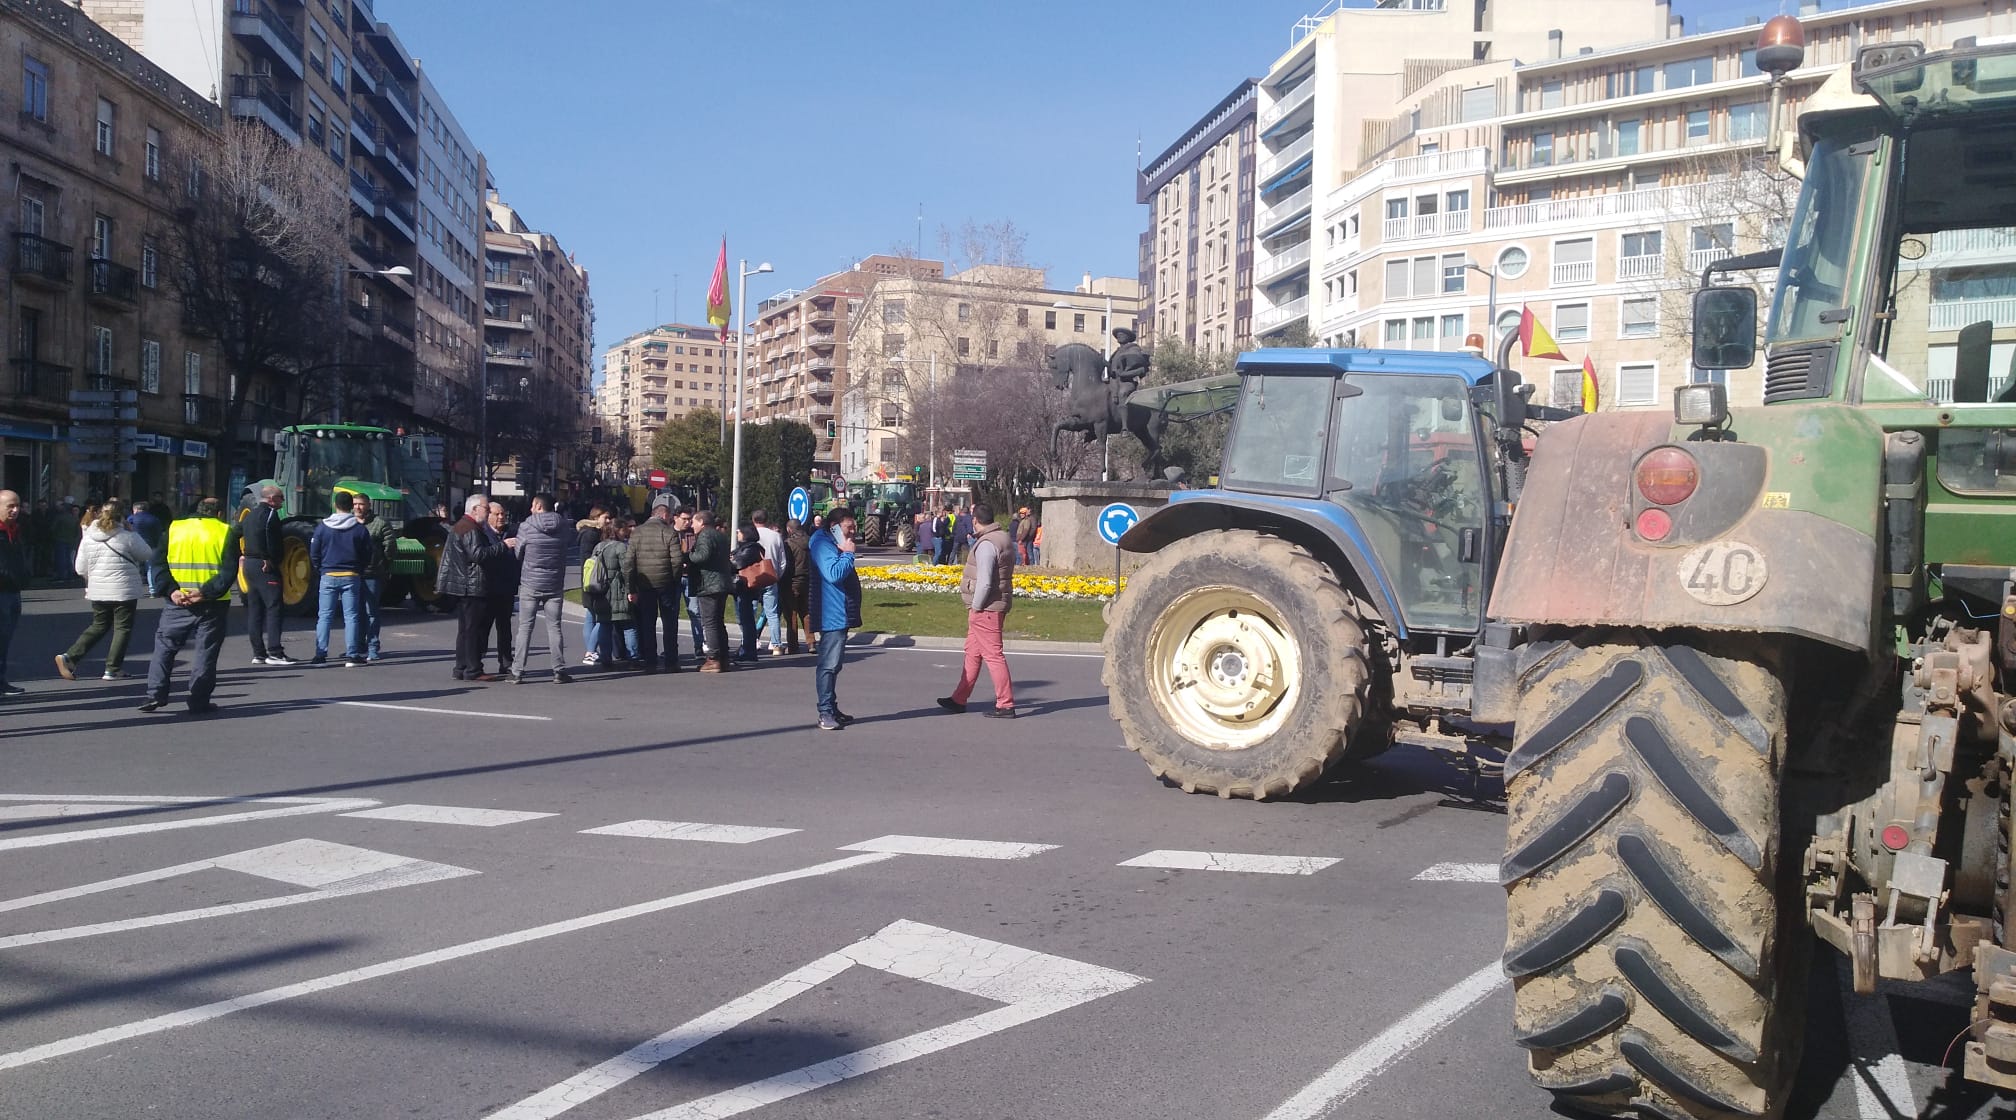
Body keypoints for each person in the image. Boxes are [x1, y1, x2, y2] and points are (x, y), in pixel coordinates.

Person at [141, 497, 241, 714]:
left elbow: (158, 563)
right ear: (219, 514)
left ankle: (154, 694)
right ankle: (198, 699)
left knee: (164, 647)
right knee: (206, 651)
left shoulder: (174, 528)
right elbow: (228, 571)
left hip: (177, 600)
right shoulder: (225, 532)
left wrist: (171, 590)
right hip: (212, 603)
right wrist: (205, 592)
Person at [56, 497, 153, 682]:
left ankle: (70, 656)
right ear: (122, 517)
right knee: (122, 627)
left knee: (99, 625)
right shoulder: (127, 536)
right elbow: (146, 553)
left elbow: (80, 569)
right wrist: (132, 531)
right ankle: (112, 668)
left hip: (98, 589)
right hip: (123, 589)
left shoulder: (89, 537)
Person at [937, 501, 1018, 718]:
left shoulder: (986, 544)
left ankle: (1005, 703)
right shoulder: (1002, 538)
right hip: (994, 605)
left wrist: (976, 607)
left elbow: (984, 582)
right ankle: (959, 699)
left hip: (986, 608)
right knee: (972, 652)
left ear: (975, 520)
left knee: (993, 655)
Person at [437, 494, 507, 682]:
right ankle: (473, 669)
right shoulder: (469, 528)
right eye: (486, 508)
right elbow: (478, 554)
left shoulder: (463, 526)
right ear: (475, 509)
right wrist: (503, 546)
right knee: (473, 630)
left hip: (464, 584)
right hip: (472, 585)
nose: (488, 511)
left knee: (466, 629)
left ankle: (461, 667)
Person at [509, 493, 572, 684]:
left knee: (525, 627)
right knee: (554, 627)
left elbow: (519, 552)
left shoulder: (527, 526)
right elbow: (567, 547)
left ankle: (517, 670)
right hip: (554, 582)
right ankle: (559, 670)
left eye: (532, 505)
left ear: (537, 506)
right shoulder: (563, 526)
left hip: (530, 581)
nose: (530, 509)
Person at [808, 508, 861, 730]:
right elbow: (833, 574)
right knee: (828, 665)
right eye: (849, 528)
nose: (853, 532)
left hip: (839, 612)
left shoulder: (831, 542)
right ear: (835, 527)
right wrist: (848, 553)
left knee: (835, 665)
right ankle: (825, 712)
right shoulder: (822, 543)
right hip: (831, 613)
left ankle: (831, 706)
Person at [309, 491, 372, 668]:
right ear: (352, 506)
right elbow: (367, 553)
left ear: (335, 505)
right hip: (351, 575)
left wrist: (321, 568)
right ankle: (352, 656)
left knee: (324, 617)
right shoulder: (359, 528)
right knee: (351, 617)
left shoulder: (323, 526)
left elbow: (314, 552)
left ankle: (320, 655)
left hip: (328, 575)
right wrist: (359, 569)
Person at [623, 499, 685, 673]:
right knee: (670, 623)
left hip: (645, 584)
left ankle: (650, 661)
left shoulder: (638, 533)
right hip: (666, 583)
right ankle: (671, 661)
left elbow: (629, 562)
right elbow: (677, 560)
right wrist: (674, 579)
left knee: (648, 623)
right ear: (664, 515)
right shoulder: (669, 532)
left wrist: (631, 586)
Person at [239, 485, 293, 665]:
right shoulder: (270, 514)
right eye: (280, 497)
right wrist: (267, 557)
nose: (282, 501)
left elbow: (238, 534)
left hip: (249, 564)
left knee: (255, 609)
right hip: (263, 565)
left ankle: (258, 653)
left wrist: (243, 555)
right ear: (270, 499)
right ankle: (275, 652)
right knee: (274, 606)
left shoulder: (250, 515)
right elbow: (265, 536)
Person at [687, 510, 733, 673]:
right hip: (721, 582)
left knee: (710, 622)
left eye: (694, 521)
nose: (692, 525)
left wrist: (688, 556)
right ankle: (724, 656)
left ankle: (713, 658)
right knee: (718, 621)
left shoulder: (705, 535)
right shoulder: (720, 535)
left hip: (709, 584)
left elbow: (703, 556)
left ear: (702, 522)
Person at [353, 494, 397, 662]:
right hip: (353, 574)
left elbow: (391, 546)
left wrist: (383, 563)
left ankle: (373, 647)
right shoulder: (349, 522)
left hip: (373, 574)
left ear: (368, 505)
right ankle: (357, 646)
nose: (357, 507)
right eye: (355, 504)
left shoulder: (380, 523)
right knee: (355, 612)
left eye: (361, 504)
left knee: (371, 611)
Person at [592, 519, 637, 665]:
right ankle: (633, 656)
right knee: (628, 624)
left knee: (605, 624)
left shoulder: (598, 547)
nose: (627, 532)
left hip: (602, 591)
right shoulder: (620, 547)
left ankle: (606, 657)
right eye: (624, 529)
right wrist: (632, 590)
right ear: (618, 530)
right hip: (619, 590)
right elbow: (627, 570)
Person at [483, 502, 520, 676]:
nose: (501, 517)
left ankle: (506, 662)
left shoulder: (511, 532)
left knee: (505, 627)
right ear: (488, 515)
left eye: (503, 514)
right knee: (483, 627)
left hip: (507, 587)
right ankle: (477, 658)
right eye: (497, 514)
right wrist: (503, 545)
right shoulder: (483, 533)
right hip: (488, 588)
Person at [575, 505, 611, 666]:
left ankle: (592, 651)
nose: (608, 521)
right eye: (606, 517)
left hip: (589, 579)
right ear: (596, 518)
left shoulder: (589, 533)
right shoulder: (591, 534)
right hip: (594, 580)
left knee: (591, 615)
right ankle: (590, 651)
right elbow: (589, 559)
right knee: (600, 616)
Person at [0, 491, 25, 696]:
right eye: (10, 506)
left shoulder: (14, 530)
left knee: (5, 641)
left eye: (17, 505)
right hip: (2, 591)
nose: (15, 510)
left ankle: (1, 681)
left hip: (13, 591)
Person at [674, 507, 705, 662]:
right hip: (674, 577)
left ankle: (699, 646)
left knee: (695, 612)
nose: (687, 522)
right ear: (676, 518)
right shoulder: (670, 534)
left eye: (689, 519)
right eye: (684, 519)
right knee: (672, 613)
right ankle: (671, 648)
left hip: (690, 576)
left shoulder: (694, 535)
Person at [731, 522, 765, 662]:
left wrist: (731, 561)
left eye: (739, 532)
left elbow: (738, 564)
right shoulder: (748, 548)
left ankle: (749, 650)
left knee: (746, 620)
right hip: (743, 587)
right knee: (745, 619)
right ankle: (747, 648)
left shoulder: (751, 548)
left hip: (746, 586)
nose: (737, 535)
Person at [752, 510, 785, 654]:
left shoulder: (750, 535)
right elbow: (782, 561)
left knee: (750, 611)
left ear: (753, 520)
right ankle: (776, 644)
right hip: (770, 576)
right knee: (772, 613)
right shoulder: (776, 536)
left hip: (753, 576)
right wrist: (777, 575)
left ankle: (750, 641)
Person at [782, 517, 811, 655]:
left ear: (789, 529)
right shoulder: (810, 541)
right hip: (808, 579)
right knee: (806, 612)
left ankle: (793, 645)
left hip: (793, 581)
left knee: (791, 613)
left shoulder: (789, 544)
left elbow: (787, 565)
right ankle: (811, 642)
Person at [128, 499, 168, 597]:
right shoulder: (154, 519)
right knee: (151, 568)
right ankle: (152, 590)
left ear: (136, 509)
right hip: (151, 546)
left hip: (134, 546)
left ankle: (135, 589)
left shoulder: (131, 519)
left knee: (135, 568)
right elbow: (159, 533)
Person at [50, 497, 81, 583]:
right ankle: (69, 575)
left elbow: (53, 528)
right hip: (70, 540)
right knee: (68, 558)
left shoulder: (60, 517)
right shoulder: (74, 518)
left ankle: (61, 575)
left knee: (61, 558)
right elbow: (77, 531)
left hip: (60, 539)